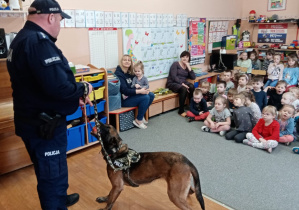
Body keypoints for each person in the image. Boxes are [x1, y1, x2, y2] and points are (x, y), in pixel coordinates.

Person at [6, 0, 92, 209]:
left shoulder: (21, 39)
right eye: (60, 21)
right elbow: (59, 88)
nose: (60, 26)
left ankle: (60, 198)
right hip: (44, 127)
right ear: (51, 17)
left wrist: (72, 96)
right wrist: (83, 89)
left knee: (53, 170)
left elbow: (44, 85)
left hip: (37, 122)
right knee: (51, 177)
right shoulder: (38, 42)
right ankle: (56, 202)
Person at [115, 55, 154, 129]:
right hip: (124, 100)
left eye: (129, 60)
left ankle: (141, 116)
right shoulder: (119, 74)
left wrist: (144, 89)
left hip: (132, 96)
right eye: (125, 60)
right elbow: (125, 91)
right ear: (121, 62)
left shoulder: (131, 73)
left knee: (151, 95)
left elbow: (137, 84)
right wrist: (140, 91)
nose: (127, 61)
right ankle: (138, 120)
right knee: (145, 97)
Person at [166, 51, 196, 116]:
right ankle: (181, 110)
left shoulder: (187, 66)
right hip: (173, 83)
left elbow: (193, 77)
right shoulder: (175, 64)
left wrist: (189, 66)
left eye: (186, 57)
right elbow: (174, 77)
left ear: (189, 58)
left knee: (191, 86)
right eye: (183, 57)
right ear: (181, 57)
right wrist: (182, 84)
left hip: (183, 82)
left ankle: (191, 106)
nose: (184, 58)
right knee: (184, 89)